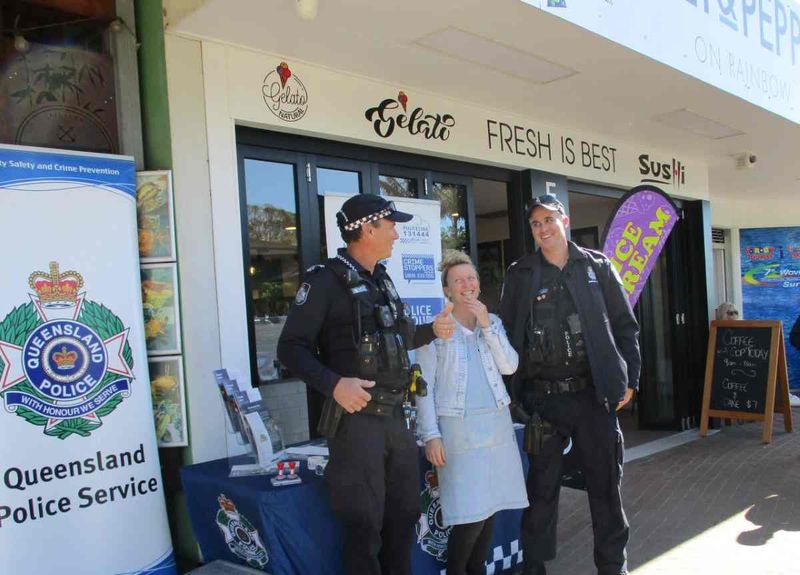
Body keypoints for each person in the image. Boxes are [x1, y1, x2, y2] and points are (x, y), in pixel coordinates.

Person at [276, 193, 455, 575]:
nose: (396, 234)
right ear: (368, 229)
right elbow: (290, 348)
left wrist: (431, 330)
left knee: (404, 518)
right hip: (356, 426)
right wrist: (335, 383)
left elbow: (398, 333)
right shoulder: (324, 281)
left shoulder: (381, 279)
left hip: (395, 422)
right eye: (390, 225)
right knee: (364, 527)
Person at [499, 194, 641, 575]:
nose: (543, 228)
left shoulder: (597, 266)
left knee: (605, 486)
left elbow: (625, 327)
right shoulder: (521, 274)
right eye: (535, 223)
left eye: (549, 219)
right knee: (541, 491)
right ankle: (534, 567)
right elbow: (507, 335)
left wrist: (631, 379)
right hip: (543, 401)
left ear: (565, 219)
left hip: (593, 397)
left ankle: (612, 566)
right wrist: (511, 395)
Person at [415, 250, 528, 575]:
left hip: (496, 428)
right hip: (459, 433)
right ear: (447, 290)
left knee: (490, 510)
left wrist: (486, 325)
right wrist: (431, 436)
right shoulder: (435, 331)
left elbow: (510, 365)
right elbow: (424, 389)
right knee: (470, 516)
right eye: (458, 280)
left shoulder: (492, 324)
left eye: (471, 278)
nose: (467, 284)